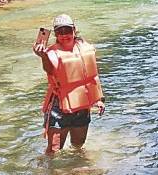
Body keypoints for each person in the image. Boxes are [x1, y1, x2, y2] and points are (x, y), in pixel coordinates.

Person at [33, 14, 105, 154]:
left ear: (74, 29)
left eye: (67, 30)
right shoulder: (52, 52)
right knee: (53, 150)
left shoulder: (85, 47)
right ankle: (49, 173)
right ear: (55, 34)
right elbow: (49, 69)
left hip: (82, 106)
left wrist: (99, 99)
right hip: (58, 107)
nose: (64, 35)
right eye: (60, 32)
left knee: (78, 146)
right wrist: (43, 57)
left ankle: (77, 171)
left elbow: (93, 75)